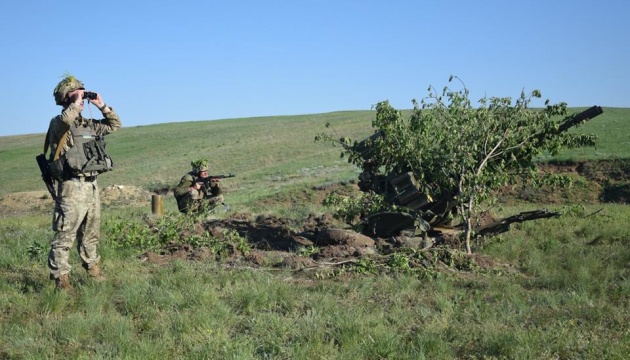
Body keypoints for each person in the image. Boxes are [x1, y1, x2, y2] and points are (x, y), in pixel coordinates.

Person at [46, 74, 121, 292]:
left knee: (91, 232)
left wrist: (101, 105)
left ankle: (93, 269)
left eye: (82, 91)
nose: (81, 95)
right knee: (65, 234)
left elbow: (115, 124)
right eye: (75, 92)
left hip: (92, 185)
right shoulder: (59, 124)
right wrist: (76, 102)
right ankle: (62, 280)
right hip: (71, 187)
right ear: (65, 99)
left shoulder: (88, 125)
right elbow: (67, 120)